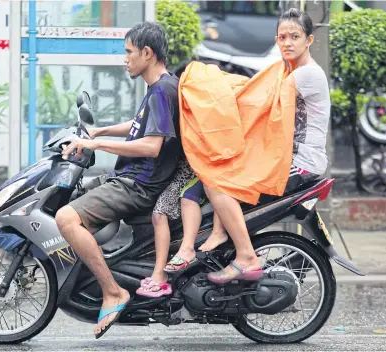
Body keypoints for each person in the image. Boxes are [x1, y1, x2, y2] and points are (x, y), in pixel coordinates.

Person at [161, 7, 331, 285]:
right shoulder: (287, 71)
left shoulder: (306, 75)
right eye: (282, 37)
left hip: (302, 164)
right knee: (220, 172)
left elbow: (255, 97)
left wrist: (205, 86)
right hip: (284, 156)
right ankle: (220, 232)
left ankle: (245, 255)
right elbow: (255, 89)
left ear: (309, 40)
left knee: (217, 183)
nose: (287, 43)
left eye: (294, 37)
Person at [55, 22, 182, 338]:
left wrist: (95, 144)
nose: (125, 59)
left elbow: (152, 146)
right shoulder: (161, 87)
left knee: (66, 218)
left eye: (128, 52)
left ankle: (112, 291)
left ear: (147, 53)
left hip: (139, 184)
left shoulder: (162, 91)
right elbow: (140, 125)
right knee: (76, 202)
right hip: (133, 177)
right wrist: (100, 130)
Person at [136, 157, 228, 297]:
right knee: (159, 213)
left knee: (183, 200)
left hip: (198, 169)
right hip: (170, 171)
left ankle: (178, 256)